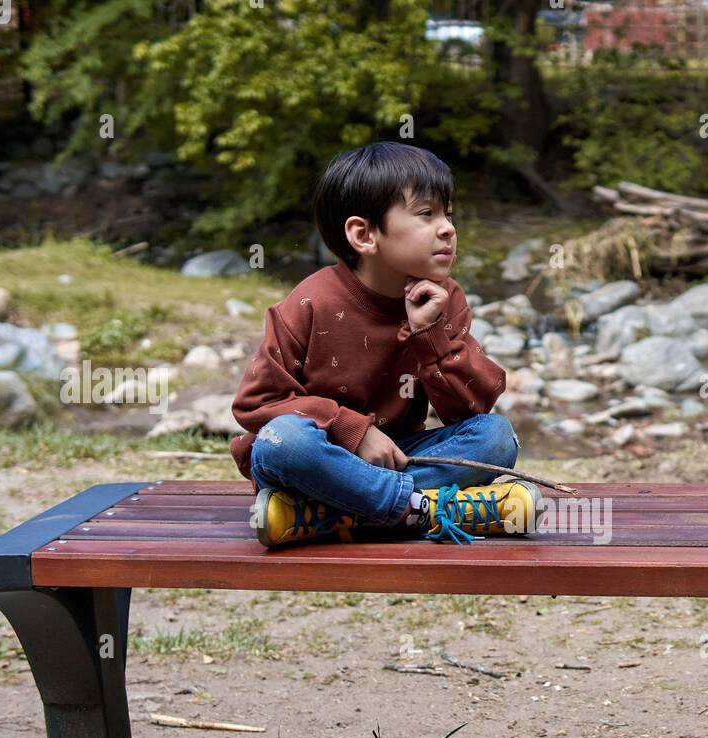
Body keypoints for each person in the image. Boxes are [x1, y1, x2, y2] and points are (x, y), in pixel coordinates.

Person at [230, 141, 543, 547]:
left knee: (496, 436)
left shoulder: (445, 298)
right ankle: (427, 509)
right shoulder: (309, 302)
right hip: (320, 458)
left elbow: (470, 409)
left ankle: (324, 516)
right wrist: (352, 431)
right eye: (426, 214)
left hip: (397, 455)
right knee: (283, 441)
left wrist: (428, 336)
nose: (448, 228)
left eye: (448, 214)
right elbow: (255, 404)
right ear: (364, 234)